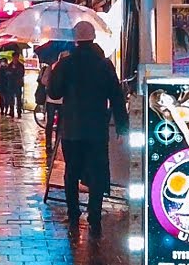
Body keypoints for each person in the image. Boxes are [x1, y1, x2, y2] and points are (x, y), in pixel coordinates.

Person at [47, 21, 129, 238]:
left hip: (72, 128)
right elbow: (116, 96)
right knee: (97, 172)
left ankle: (73, 213)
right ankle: (95, 215)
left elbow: (54, 93)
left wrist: (55, 68)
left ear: (75, 39)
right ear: (93, 38)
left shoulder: (66, 63)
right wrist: (122, 125)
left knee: (71, 172)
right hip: (96, 128)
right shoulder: (104, 64)